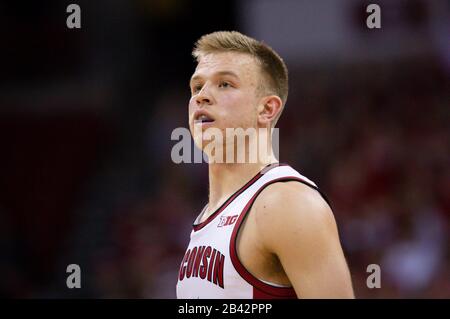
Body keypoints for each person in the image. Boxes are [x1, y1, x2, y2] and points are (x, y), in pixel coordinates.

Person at [176, 31, 354, 298]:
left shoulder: (286, 202)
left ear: (267, 109)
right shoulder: (207, 215)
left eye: (224, 84)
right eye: (197, 86)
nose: (202, 96)